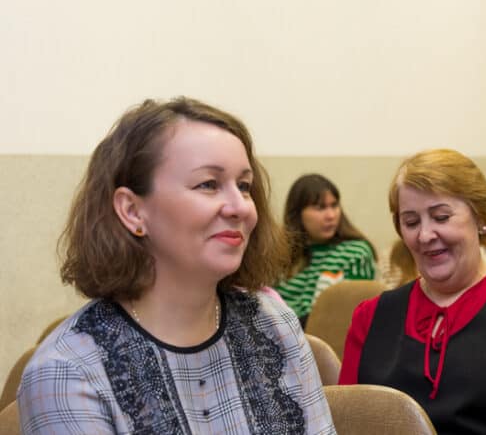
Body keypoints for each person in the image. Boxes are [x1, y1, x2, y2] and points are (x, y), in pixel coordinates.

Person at [18, 97, 334, 433]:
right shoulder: (67, 373)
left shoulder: (274, 323)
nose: (240, 207)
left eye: (244, 186)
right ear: (132, 211)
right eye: (208, 184)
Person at [339, 149, 486, 435]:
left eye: (441, 217)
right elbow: (347, 423)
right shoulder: (370, 318)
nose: (425, 235)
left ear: (480, 217)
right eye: (411, 222)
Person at [276, 173, 377, 327]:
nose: (331, 215)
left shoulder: (355, 252)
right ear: (297, 214)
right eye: (320, 208)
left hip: (329, 335)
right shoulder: (280, 255)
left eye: (334, 205)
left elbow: (355, 315)